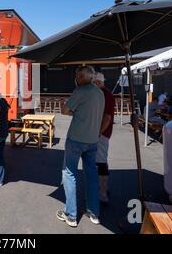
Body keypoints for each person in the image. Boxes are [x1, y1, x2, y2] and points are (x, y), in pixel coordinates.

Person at [57, 66, 104, 228]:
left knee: (69, 173)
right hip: (93, 140)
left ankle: (71, 215)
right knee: (91, 175)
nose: (75, 78)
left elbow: (65, 110)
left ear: (82, 76)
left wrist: (65, 105)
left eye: (77, 75)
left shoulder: (80, 91)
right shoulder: (99, 93)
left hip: (76, 139)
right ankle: (94, 213)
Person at [92, 72, 115, 204]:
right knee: (100, 161)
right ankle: (102, 189)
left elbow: (107, 118)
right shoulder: (102, 93)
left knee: (100, 162)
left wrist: (98, 133)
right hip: (101, 133)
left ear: (98, 82)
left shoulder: (105, 95)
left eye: (94, 82)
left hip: (101, 134)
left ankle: (102, 193)